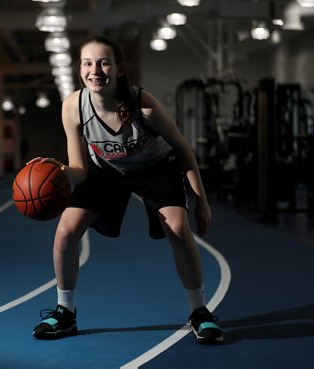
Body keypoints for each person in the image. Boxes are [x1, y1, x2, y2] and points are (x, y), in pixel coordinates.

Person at [28, 36, 224, 344]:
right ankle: (65, 312)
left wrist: (201, 201)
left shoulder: (142, 105)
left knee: (176, 227)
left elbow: (183, 148)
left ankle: (200, 312)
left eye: (104, 63)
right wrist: (62, 172)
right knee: (65, 232)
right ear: (80, 68)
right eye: (88, 63)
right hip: (105, 172)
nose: (96, 70)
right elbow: (80, 171)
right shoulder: (73, 107)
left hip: (155, 169)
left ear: (119, 69)